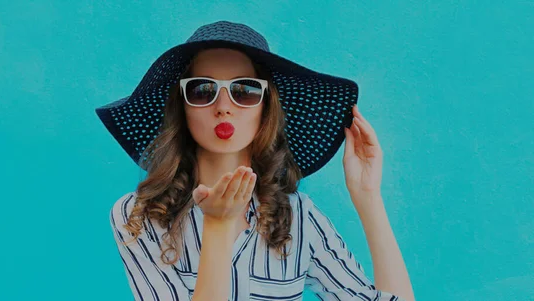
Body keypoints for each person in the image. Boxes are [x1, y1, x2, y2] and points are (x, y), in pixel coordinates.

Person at [96, 21, 415, 301]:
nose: (223, 107)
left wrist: (367, 196)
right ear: (183, 106)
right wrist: (218, 228)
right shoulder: (137, 216)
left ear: (266, 107)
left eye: (245, 90)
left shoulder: (298, 216)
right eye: (202, 90)